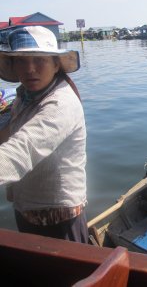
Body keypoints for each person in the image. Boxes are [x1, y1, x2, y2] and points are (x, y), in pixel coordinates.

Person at [0, 26, 88, 243]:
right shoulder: (24, 95)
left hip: (59, 217)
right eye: (21, 61)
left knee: (68, 276)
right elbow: (10, 133)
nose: (30, 69)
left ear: (56, 64)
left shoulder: (60, 104)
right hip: (26, 208)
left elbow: (22, 149)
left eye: (39, 60)